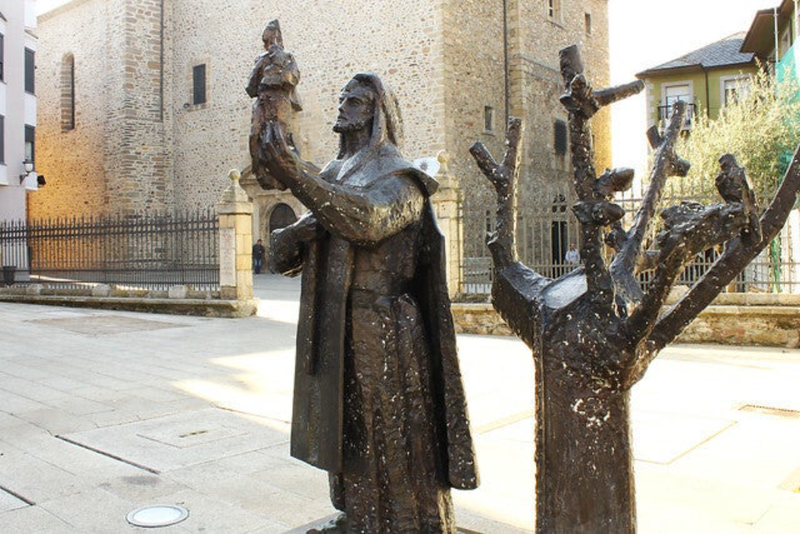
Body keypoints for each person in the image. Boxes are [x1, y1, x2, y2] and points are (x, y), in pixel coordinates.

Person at [266, 73, 478, 533]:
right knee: (349, 434)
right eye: (342, 98)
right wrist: (301, 227)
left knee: (393, 433)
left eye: (356, 101)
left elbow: (366, 220)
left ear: (377, 113)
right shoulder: (333, 176)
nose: (342, 106)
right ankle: (360, 519)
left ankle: (404, 525)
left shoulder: (402, 178)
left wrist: (294, 173)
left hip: (386, 326)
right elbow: (283, 258)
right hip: (336, 324)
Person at [246, 19, 302, 190]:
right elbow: (250, 87)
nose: (269, 44)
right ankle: (260, 171)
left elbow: (291, 78)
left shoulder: (287, 57)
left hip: (279, 101)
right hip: (262, 101)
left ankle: (291, 170)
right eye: (266, 41)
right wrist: (262, 68)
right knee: (254, 135)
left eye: (272, 39)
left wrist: (272, 75)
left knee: (280, 137)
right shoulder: (261, 59)